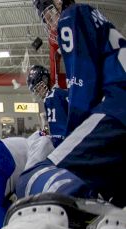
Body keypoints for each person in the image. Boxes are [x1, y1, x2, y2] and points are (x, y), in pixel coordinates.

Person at [21, 0, 125, 206]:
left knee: (31, 179)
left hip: (119, 103)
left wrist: (73, 139)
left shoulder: (72, 16)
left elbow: (83, 86)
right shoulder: (93, 17)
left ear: (59, 2)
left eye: (49, 13)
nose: (50, 23)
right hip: (118, 100)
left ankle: (75, 211)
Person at [26, 64, 69, 143]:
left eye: (38, 88)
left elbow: (59, 134)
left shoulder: (52, 97)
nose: (38, 92)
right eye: (36, 91)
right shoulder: (58, 94)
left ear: (45, 80)